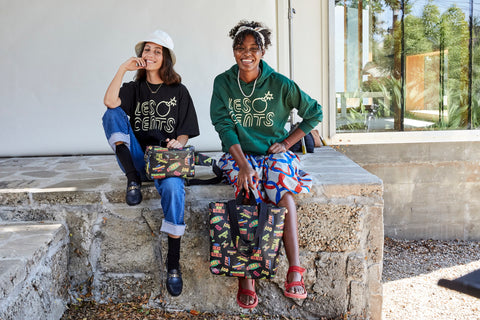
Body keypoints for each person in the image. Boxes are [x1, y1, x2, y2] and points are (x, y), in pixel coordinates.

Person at [210, 20, 323, 308]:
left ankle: (294, 269)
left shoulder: (280, 84)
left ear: (263, 51)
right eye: (240, 48)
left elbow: (314, 113)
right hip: (239, 154)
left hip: (273, 153)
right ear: (234, 51)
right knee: (246, 190)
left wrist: (287, 143)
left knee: (282, 192)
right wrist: (243, 165)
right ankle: (245, 274)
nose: (246, 54)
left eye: (253, 49)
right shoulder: (223, 82)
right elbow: (223, 126)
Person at [102, 29, 199, 297]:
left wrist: (179, 143)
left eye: (158, 51)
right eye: (147, 49)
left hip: (165, 160)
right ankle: (132, 178)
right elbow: (110, 102)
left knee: (172, 189)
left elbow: (184, 130)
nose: (151, 54)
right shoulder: (134, 89)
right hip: (136, 159)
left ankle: (173, 263)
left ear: (166, 57)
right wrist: (123, 68)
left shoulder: (179, 91)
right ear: (141, 55)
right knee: (111, 114)